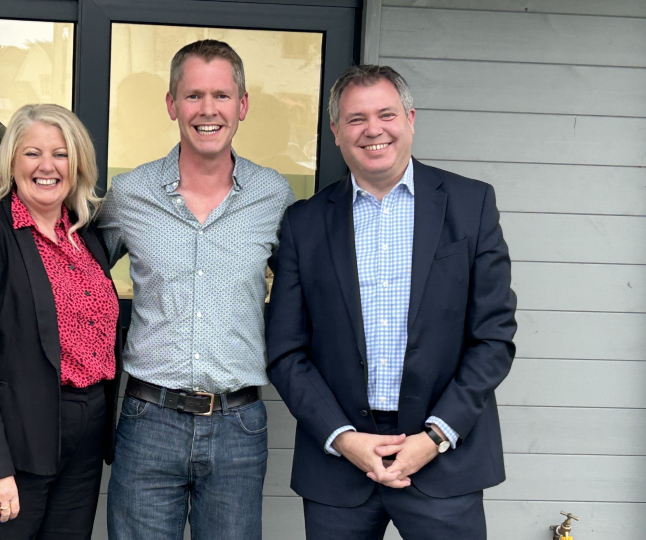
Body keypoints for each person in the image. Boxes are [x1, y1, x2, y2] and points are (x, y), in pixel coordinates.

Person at [266, 65, 517, 539]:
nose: (373, 130)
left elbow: (493, 339)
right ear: (337, 133)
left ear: (410, 118)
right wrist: (344, 439)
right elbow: (285, 350)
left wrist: (436, 436)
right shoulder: (304, 222)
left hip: (444, 461)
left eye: (385, 114)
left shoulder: (470, 204)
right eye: (356, 119)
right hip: (339, 468)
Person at [98, 40, 295, 540]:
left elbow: (309, 293)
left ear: (242, 105)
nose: (208, 110)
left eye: (222, 96)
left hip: (239, 426)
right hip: (149, 421)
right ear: (171, 104)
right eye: (193, 96)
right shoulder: (129, 194)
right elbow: (74, 272)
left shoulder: (274, 197)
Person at [0, 104, 121, 540]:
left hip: (83, 440)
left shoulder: (85, 236)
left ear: (78, 163)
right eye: (32, 153)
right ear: (11, 160)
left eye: (61, 154)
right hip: (9, 443)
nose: (47, 166)